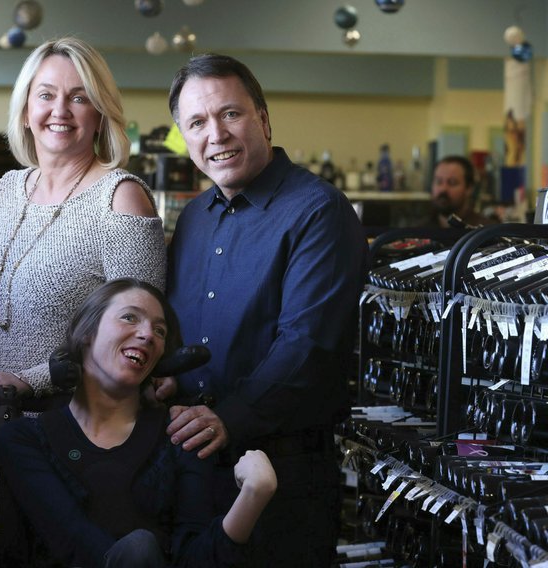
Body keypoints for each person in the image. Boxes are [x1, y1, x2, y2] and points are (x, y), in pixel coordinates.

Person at [0, 37, 167, 562]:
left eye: (78, 96)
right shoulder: (2, 194)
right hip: (5, 458)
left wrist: (29, 382)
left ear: (100, 113)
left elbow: (139, 340)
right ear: (24, 109)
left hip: (86, 458)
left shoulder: (121, 198)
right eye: (45, 95)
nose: (59, 111)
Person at [164, 54, 368, 566]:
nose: (217, 134)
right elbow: (176, 328)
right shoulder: (193, 219)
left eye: (230, 114)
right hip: (194, 464)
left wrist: (226, 417)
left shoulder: (319, 211)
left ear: (264, 119)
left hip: (286, 474)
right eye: (197, 123)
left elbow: (308, 345)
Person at [0, 278, 277, 567]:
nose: (147, 335)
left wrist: (253, 496)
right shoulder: (24, 439)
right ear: (88, 331)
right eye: (129, 317)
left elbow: (195, 559)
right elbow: (72, 541)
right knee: (140, 547)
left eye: (160, 330)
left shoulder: (180, 434)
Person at [425, 155, 497, 228]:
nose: (443, 188)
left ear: (469, 188)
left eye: (452, 183)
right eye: (439, 182)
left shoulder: (486, 231)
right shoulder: (419, 232)